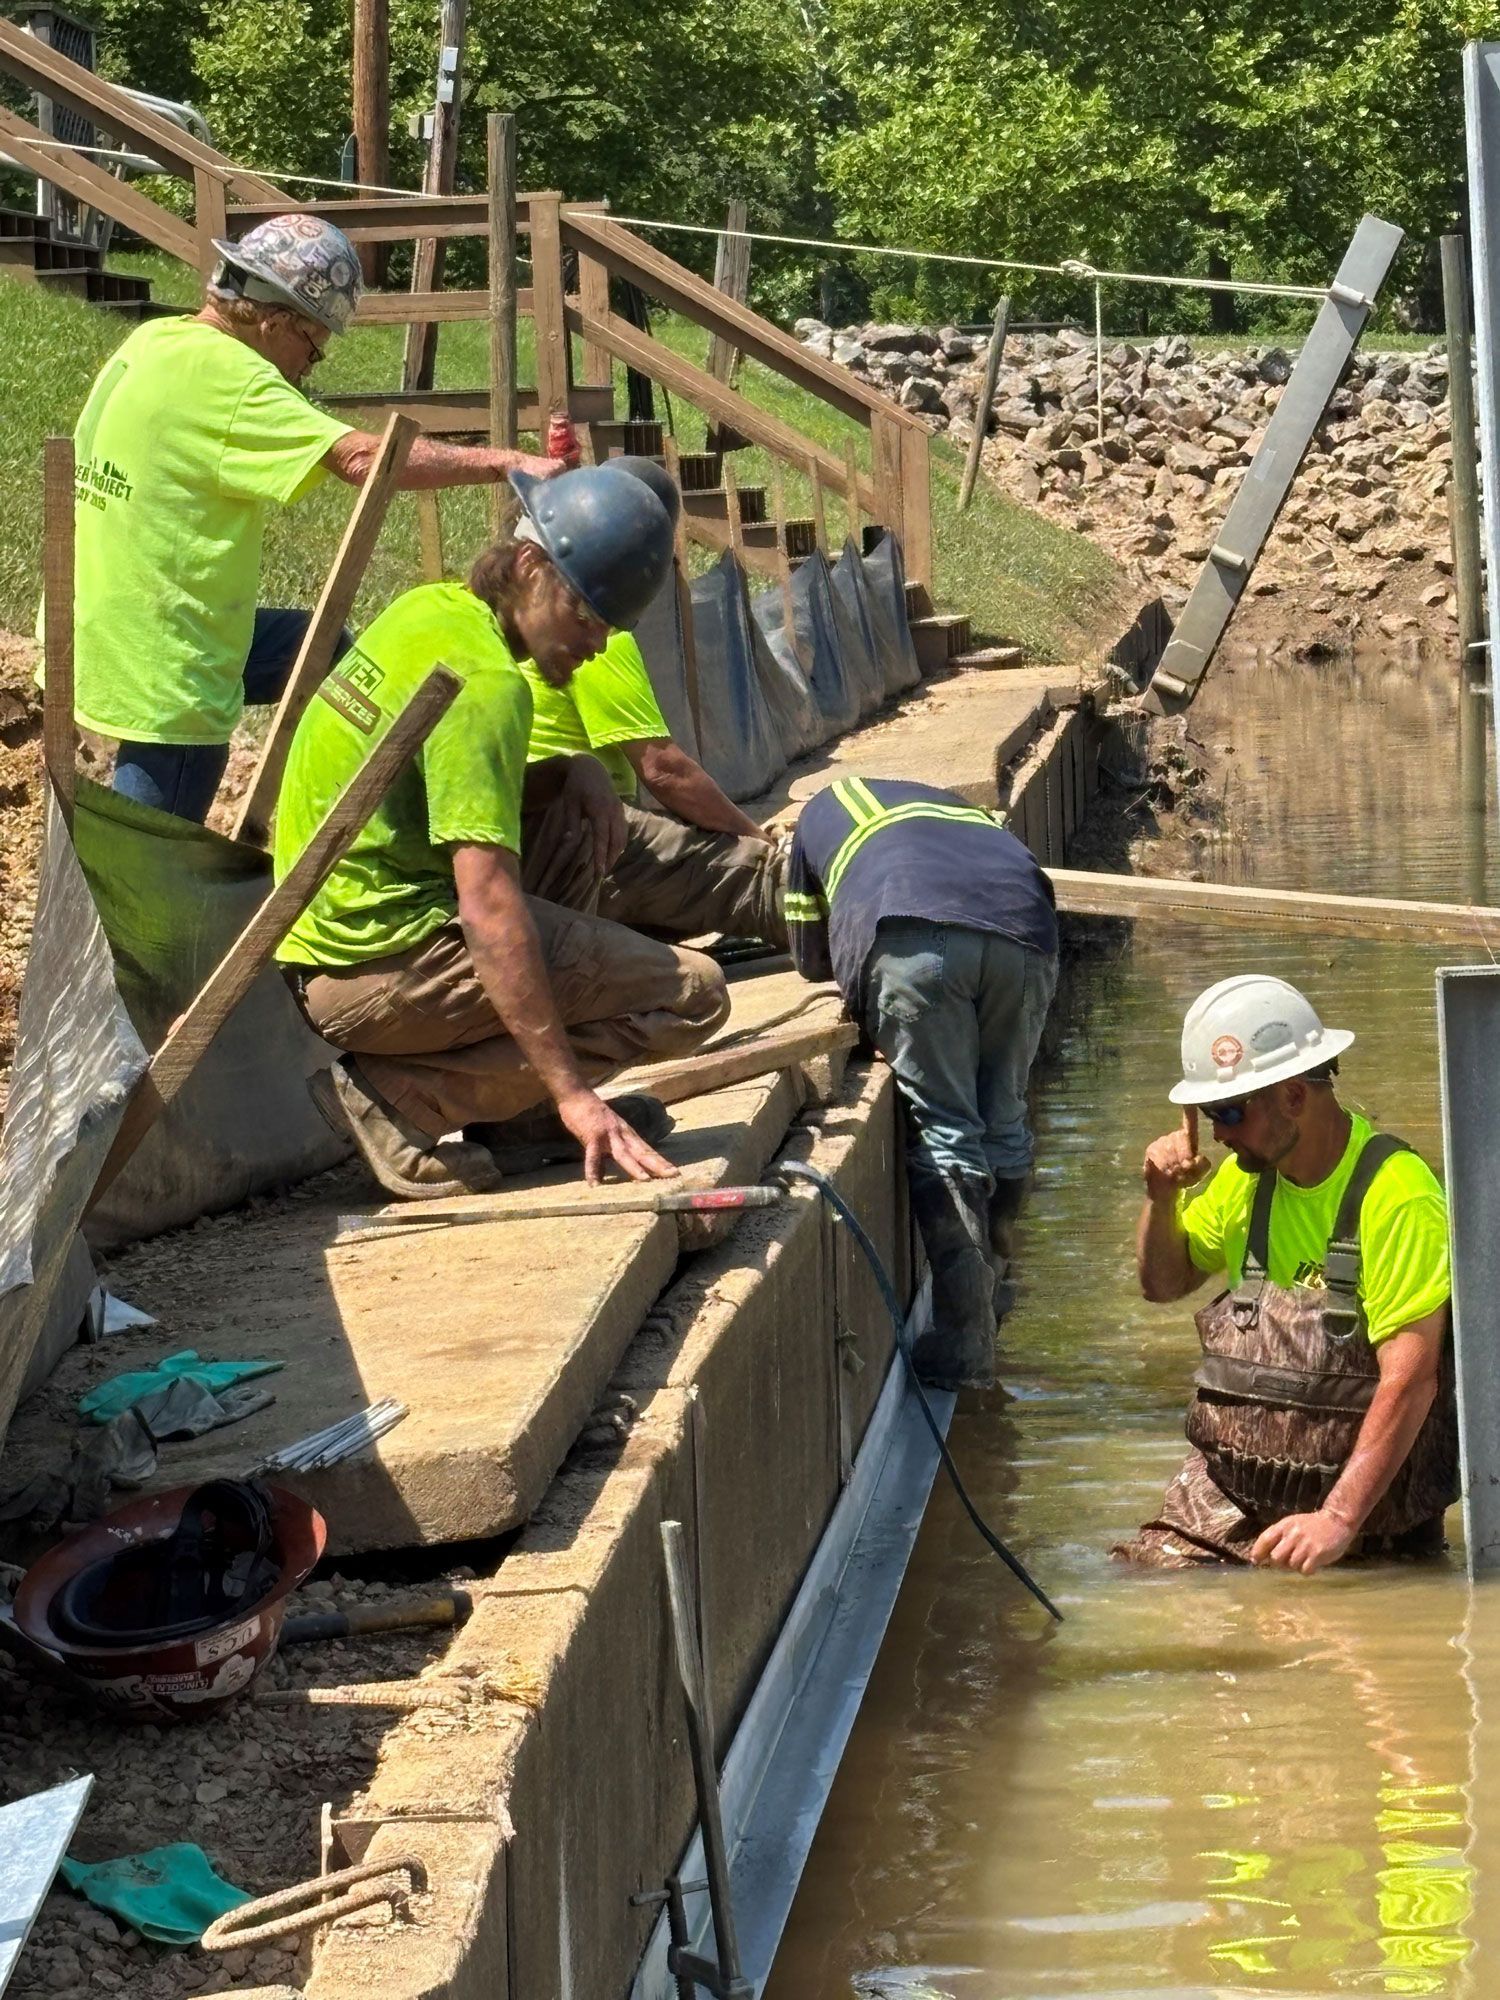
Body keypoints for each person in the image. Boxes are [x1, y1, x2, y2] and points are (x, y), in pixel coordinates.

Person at [272, 463, 731, 1200]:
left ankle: (518, 1117)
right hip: (375, 966)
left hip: (332, 938)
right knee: (695, 994)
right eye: (586, 615)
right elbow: (487, 908)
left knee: (569, 815)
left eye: (610, 628)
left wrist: (569, 772)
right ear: (529, 564)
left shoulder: (431, 610)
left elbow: (438, 797)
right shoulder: (488, 684)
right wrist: (577, 1092)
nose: (596, 643)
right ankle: (401, 1100)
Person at [64, 213, 564, 824]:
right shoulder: (236, 377)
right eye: (313, 344)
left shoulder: (155, 341)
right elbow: (364, 460)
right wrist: (505, 462)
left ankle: (348, 808)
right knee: (146, 863)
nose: (310, 365)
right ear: (276, 319)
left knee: (320, 648)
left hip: (97, 620)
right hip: (168, 657)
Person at [1121, 974, 1457, 1573]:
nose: (1218, 1133)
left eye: (1228, 1111)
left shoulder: (1398, 1194)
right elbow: (1163, 1284)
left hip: (1365, 1512)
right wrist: (1161, 1197)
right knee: (1140, 1583)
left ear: (1294, 1096)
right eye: (1208, 1113)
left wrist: (1338, 1520)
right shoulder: (1242, 1178)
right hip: (1233, 1490)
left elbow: (1412, 1382)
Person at [784, 775, 1059, 1387]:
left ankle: (966, 1341)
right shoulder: (961, 812)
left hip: (913, 933)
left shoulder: (815, 819)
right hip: (1027, 934)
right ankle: (995, 1289)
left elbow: (809, 957)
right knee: (1005, 1117)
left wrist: (873, 1006)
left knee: (947, 1131)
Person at [518, 457, 785, 948]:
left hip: (538, 835)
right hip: (575, 836)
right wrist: (756, 839)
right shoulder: (594, 630)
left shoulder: (527, 615)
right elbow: (665, 770)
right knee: (755, 877)